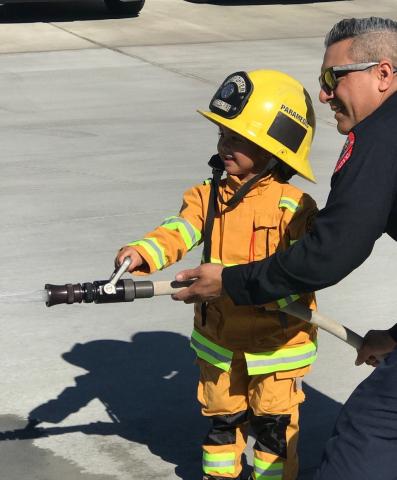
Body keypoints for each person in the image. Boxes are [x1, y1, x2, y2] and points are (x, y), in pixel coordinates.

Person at [173, 16, 397, 480]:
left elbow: (329, 252)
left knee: (368, 434)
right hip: (224, 351)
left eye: (333, 78)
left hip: (275, 354)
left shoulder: (380, 139)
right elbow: (181, 226)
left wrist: (231, 282)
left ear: (384, 73)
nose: (324, 94)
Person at [115, 69, 318, 480]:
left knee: (272, 430)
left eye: (239, 139)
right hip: (220, 342)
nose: (226, 145)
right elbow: (181, 228)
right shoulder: (207, 196)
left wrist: (261, 292)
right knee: (222, 424)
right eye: (223, 135)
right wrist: (142, 253)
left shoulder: (294, 207)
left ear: (274, 148)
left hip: (276, 347)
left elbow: (303, 271)